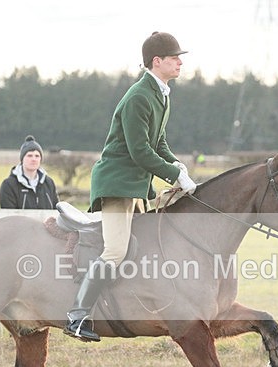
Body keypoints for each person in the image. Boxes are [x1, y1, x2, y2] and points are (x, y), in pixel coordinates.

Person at [63, 31, 197, 342]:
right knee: (115, 251)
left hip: (135, 185)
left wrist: (177, 166)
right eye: (174, 58)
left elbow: (158, 143)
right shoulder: (139, 96)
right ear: (157, 61)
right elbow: (140, 151)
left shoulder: (161, 95)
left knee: (143, 246)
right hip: (117, 183)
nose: (180, 62)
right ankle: (77, 317)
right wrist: (173, 175)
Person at [0, 135, 60, 209]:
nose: (34, 159)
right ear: (22, 159)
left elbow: (56, 210)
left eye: (37, 156)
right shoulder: (9, 185)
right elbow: (8, 213)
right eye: (29, 156)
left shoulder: (49, 183)